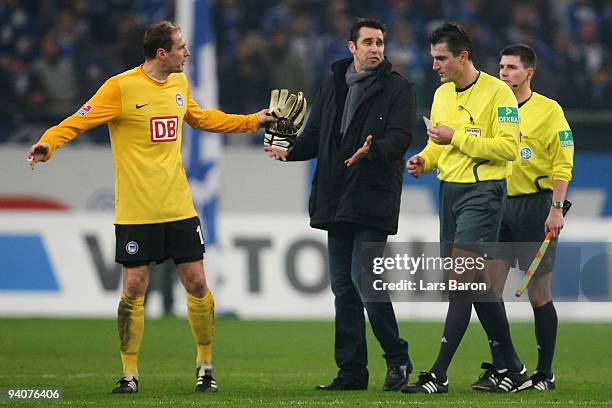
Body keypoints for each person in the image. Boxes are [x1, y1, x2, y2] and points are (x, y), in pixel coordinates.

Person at [26, 20, 274, 394]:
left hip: (178, 205)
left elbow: (203, 118)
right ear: (163, 53)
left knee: (197, 283)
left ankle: (205, 366)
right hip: (136, 210)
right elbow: (79, 120)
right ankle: (129, 374)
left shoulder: (178, 84)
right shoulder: (120, 88)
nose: (187, 53)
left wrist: (253, 121)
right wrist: (49, 143)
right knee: (134, 287)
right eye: (181, 47)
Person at [265, 17, 415, 391]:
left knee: (365, 283)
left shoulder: (399, 89)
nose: (375, 48)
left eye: (380, 42)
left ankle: (397, 359)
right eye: (368, 42)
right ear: (352, 47)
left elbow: (401, 139)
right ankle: (351, 372)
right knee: (343, 288)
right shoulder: (333, 84)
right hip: (335, 197)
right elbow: (315, 135)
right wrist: (287, 150)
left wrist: (373, 150)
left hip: (372, 196)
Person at [403, 22, 530, 394]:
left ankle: (438, 375)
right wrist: (424, 160)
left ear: (463, 56)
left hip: (483, 194)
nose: (435, 66)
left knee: (461, 280)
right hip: (450, 194)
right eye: (432, 58)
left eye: (441, 58)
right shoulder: (442, 94)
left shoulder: (499, 94)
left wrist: (456, 137)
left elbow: (509, 148)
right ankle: (516, 369)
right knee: (478, 287)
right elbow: (439, 144)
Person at [471, 43, 574, 392]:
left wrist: (556, 208)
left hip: (535, 207)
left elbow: (562, 163)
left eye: (512, 67)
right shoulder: (491, 107)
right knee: (487, 291)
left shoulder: (549, 111)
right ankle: (506, 367)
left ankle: (545, 374)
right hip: (498, 205)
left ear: (529, 72)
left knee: (538, 294)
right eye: (501, 66)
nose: (503, 72)